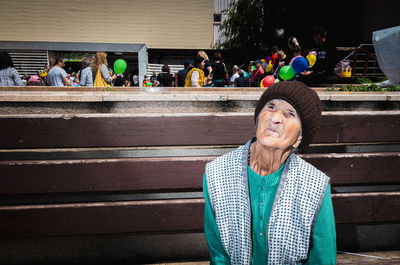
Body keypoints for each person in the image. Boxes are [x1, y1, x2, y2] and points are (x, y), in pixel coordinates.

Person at [203, 81, 336, 264]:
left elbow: (323, 258)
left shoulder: (315, 186)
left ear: (299, 139)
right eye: (271, 106)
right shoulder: (217, 174)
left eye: (290, 114)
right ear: (258, 118)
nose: (276, 118)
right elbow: (219, 256)